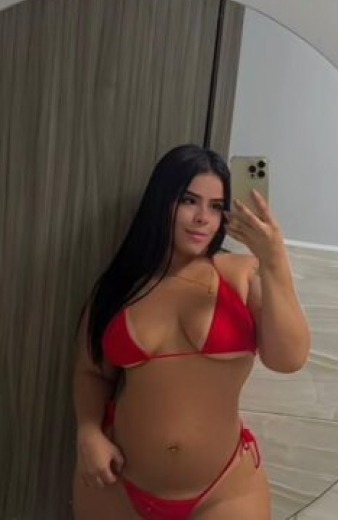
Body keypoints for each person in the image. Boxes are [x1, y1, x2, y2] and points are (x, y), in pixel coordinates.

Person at [72, 144, 310, 520]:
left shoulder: (241, 274)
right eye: (189, 201)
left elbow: (289, 359)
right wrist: (88, 431)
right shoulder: (119, 287)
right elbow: (91, 373)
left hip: (226, 491)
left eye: (216, 206)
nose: (203, 218)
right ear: (161, 201)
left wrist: (274, 258)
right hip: (116, 484)